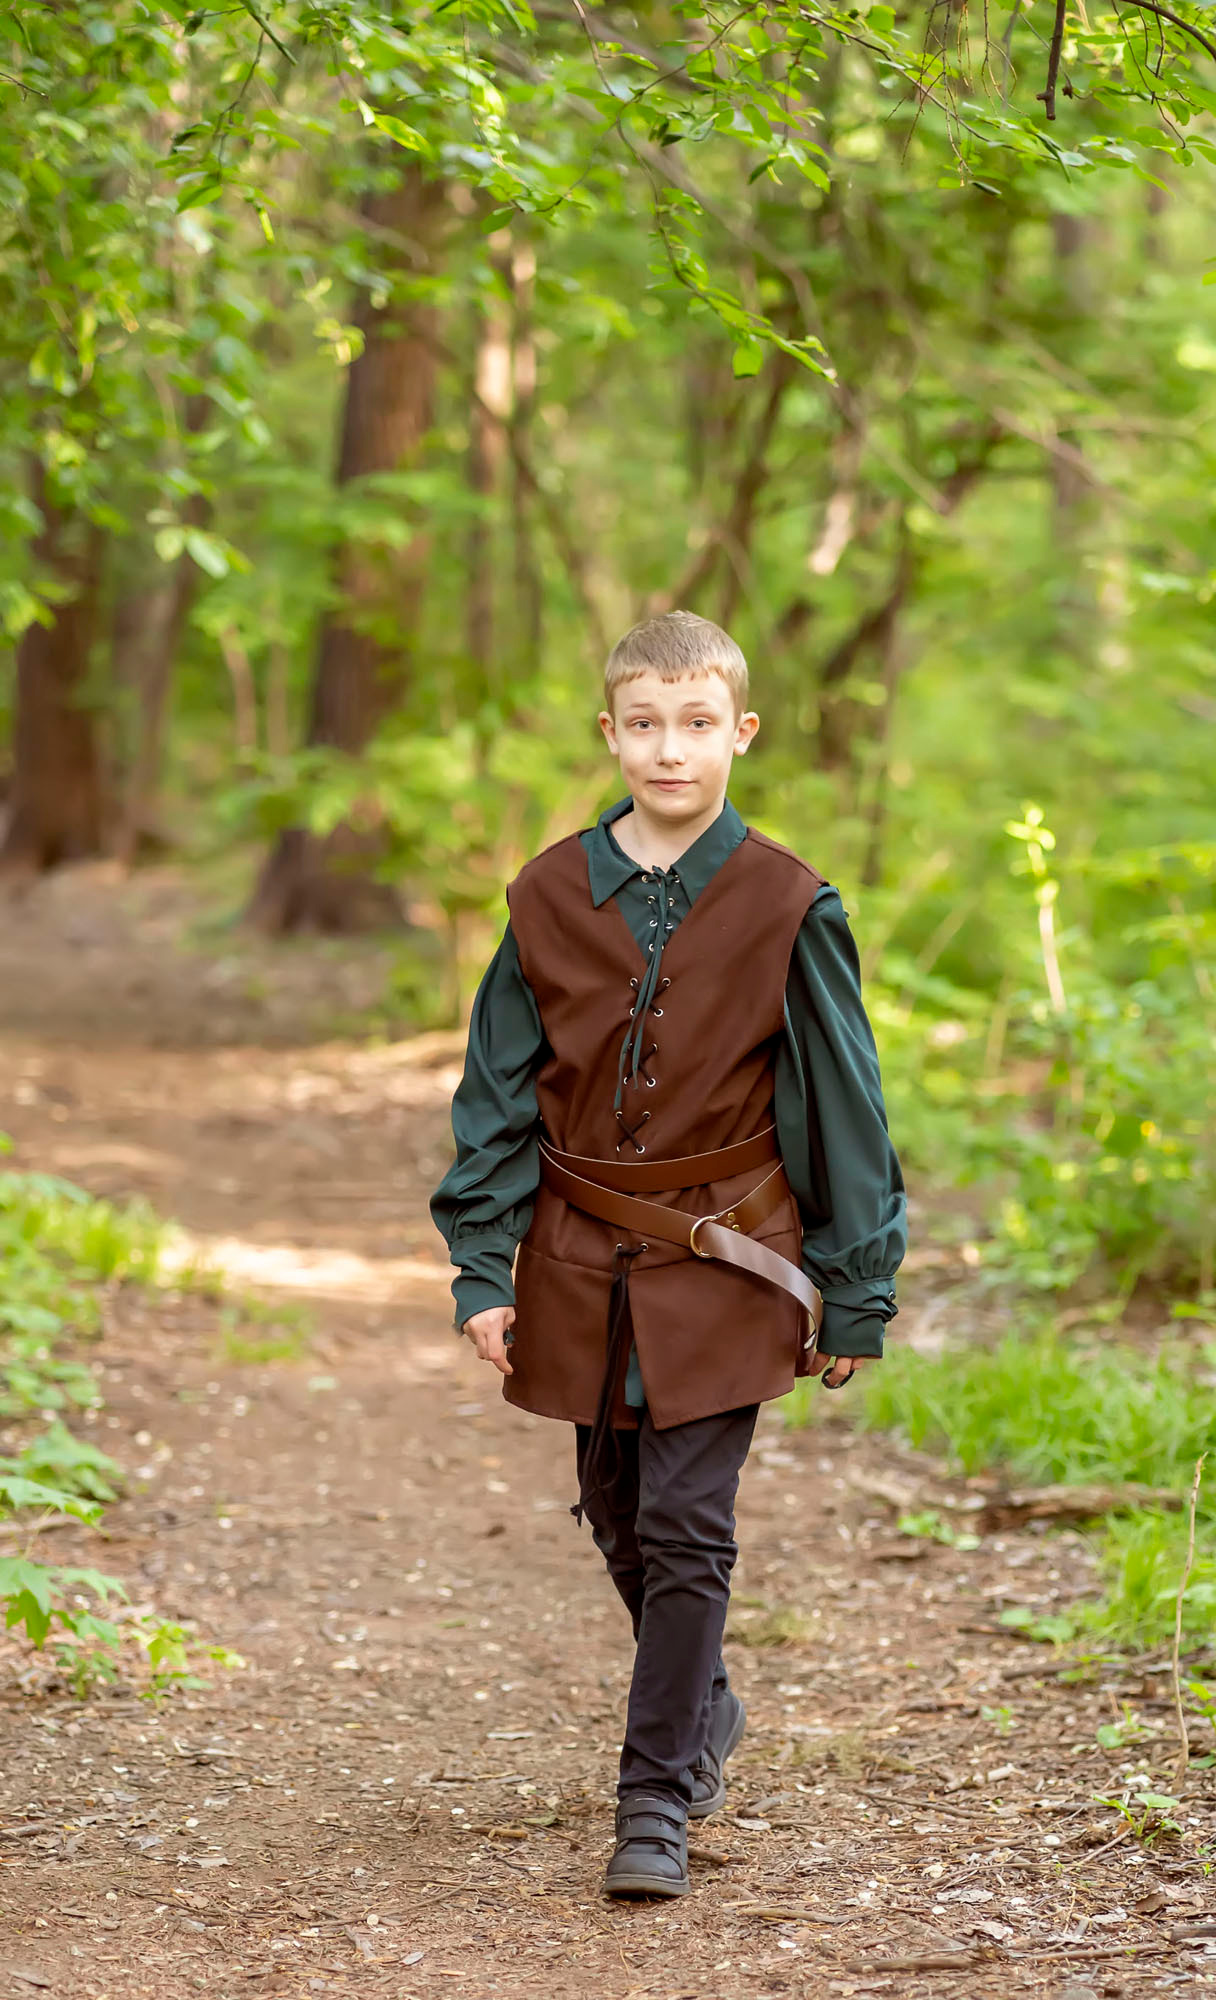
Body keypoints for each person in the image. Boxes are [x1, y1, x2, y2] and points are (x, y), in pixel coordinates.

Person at [430, 609, 906, 1899]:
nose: (670, 750)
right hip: (579, 1249)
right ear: (611, 733)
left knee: (691, 1523)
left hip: (731, 1250)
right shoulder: (546, 895)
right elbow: (496, 1095)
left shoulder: (789, 903)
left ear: (739, 732)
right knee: (618, 1512)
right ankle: (707, 1699)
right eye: (645, 725)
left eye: (697, 725)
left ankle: (654, 1800)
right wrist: (484, 1265)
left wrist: (855, 1289)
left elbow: (844, 1108)